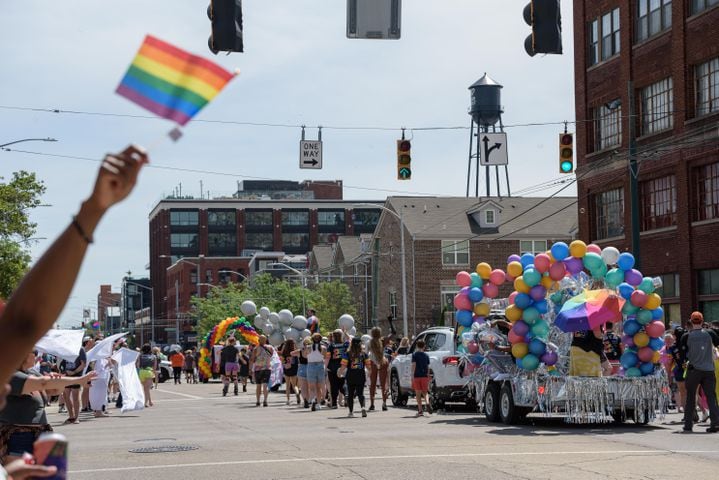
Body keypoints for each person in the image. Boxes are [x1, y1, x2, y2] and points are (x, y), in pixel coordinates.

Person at [0, 350, 97, 462]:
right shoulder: (9, 374)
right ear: (24, 355)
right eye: (33, 351)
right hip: (17, 436)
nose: (36, 355)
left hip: (41, 434)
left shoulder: (32, 372)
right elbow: (42, 383)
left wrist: (56, 380)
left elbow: (54, 390)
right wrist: (79, 380)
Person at [679, 311, 719, 433]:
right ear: (702, 321)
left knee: (691, 396)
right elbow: (717, 345)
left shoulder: (686, 336)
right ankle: (715, 423)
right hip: (709, 369)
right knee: (711, 396)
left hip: (694, 369)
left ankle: (688, 424)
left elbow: (683, 356)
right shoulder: (711, 333)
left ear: (691, 321)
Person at [339, 337, 369, 418]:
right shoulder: (364, 354)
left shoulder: (347, 354)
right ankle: (363, 407)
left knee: (350, 394)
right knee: (360, 393)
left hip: (351, 376)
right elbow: (369, 366)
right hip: (361, 375)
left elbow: (343, 365)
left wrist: (339, 372)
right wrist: (370, 373)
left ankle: (351, 412)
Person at [59, 344, 87, 424]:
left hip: (76, 375)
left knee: (75, 396)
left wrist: (74, 372)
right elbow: (62, 362)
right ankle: (71, 416)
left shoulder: (80, 349)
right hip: (66, 374)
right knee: (66, 396)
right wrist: (63, 371)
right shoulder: (66, 348)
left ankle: (77, 417)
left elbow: (83, 364)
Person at [367, 327, 390, 412]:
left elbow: (366, 353)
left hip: (373, 362)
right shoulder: (383, 341)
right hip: (382, 361)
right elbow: (392, 334)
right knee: (383, 384)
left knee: (372, 384)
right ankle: (384, 403)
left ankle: (372, 404)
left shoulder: (369, 342)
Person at [249, 336, 274, 407]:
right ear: (266, 340)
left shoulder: (256, 349)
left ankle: (258, 401)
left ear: (259, 340)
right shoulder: (270, 348)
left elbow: (252, 359)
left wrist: (250, 369)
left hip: (258, 369)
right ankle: (265, 400)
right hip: (267, 368)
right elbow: (272, 356)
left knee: (258, 386)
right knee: (265, 385)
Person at [326, 330, 349, 409]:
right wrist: (346, 333)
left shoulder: (331, 346)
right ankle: (346, 394)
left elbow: (328, 357)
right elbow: (350, 341)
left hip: (332, 367)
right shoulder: (345, 345)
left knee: (333, 386)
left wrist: (325, 367)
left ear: (333, 337)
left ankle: (334, 403)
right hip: (343, 366)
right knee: (342, 384)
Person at [305, 333, 327, 411]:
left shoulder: (308, 347)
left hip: (311, 366)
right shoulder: (323, 347)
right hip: (320, 366)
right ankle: (318, 403)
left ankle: (313, 400)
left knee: (312, 387)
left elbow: (305, 356)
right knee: (319, 387)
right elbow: (324, 357)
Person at [411, 339, 431, 417]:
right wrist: (428, 375)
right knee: (425, 392)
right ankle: (427, 403)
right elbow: (428, 367)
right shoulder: (426, 355)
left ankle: (420, 410)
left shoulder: (414, 354)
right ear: (424, 346)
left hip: (417, 376)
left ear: (416, 346)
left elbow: (414, 365)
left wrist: (412, 375)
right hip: (424, 376)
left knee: (418, 394)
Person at [669, 327, 687, 412]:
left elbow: (671, 360)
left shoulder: (673, 347)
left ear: (675, 336)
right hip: (689, 370)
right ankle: (697, 411)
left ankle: (687, 414)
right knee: (693, 393)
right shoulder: (688, 344)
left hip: (680, 370)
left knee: (683, 393)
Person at [281, 340, 300, 405]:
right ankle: (297, 394)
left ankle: (288, 400)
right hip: (294, 368)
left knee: (287, 385)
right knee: (294, 385)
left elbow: (282, 360)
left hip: (287, 368)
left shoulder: (284, 352)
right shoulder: (294, 351)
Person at [294, 338, 310, 408]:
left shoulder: (300, 351)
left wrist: (297, 349)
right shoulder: (312, 351)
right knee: (310, 386)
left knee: (303, 387)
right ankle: (310, 400)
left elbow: (291, 353)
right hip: (310, 367)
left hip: (302, 368)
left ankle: (305, 400)